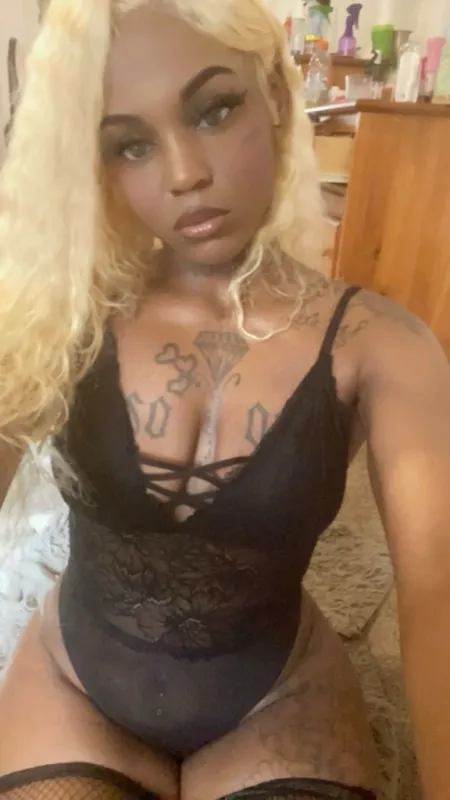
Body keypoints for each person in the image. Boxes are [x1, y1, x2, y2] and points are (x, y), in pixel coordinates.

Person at [0, 1, 450, 798]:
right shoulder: (56, 317)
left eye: (214, 110)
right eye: (130, 144)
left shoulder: (384, 347)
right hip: (74, 685)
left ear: (274, 95)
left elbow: (438, 601)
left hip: (277, 699)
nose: (184, 174)